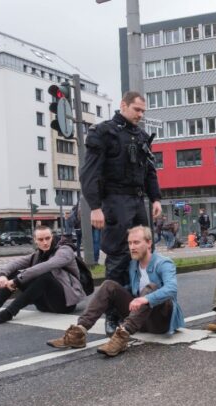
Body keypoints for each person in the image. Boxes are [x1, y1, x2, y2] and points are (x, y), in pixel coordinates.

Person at [80, 91, 162, 334]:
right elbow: (89, 173)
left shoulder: (141, 135)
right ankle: (112, 315)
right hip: (114, 200)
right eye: (137, 110)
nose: (140, 115)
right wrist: (95, 206)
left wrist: (155, 197)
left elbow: (149, 171)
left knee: (145, 254)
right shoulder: (103, 133)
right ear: (123, 105)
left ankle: (141, 308)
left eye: (143, 111)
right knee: (117, 257)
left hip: (137, 201)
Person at [48, 226, 185, 357]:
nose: (132, 247)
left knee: (151, 288)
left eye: (136, 242)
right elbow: (128, 290)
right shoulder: (133, 265)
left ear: (149, 243)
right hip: (141, 320)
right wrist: (113, 296)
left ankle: (122, 336)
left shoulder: (163, 263)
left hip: (161, 321)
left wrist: (145, 298)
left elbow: (171, 289)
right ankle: (78, 332)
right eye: (130, 243)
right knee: (109, 285)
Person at [0, 226, 85, 325]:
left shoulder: (64, 251)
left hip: (63, 304)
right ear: (35, 240)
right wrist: (2, 275)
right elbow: (15, 264)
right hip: (44, 304)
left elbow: (47, 266)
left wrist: (17, 281)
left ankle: (8, 313)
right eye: (41, 240)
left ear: (52, 237)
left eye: (48, 238)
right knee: (14, 273)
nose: (45, 242)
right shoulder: (37, 254)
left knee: (43, 276)